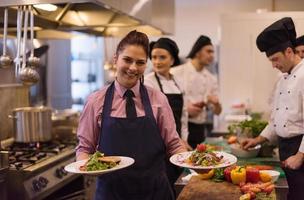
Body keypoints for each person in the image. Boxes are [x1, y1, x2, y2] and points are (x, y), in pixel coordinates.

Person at [76, 30, 187, 200]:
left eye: (140, 62)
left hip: (155, 191)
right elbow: (85, 148)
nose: (133, 68)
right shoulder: (95, 101)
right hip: (111, 193)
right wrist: (86, 166)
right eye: (127, 60)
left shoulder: (158, 99)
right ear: (115, 59)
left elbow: (173, 144)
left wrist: (191, 163)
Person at [242, 17, 304, 200]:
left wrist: (300, 155)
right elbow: (276, 118)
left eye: (275, 59)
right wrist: (258, 139)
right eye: (270, 60)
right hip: (285, 148)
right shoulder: (282, 78)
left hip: (299, 148)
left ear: (289, 51)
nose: (273, 65)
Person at [144, 37, 190, 195]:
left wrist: (183, 138)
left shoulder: (179, 81)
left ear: (172, 59)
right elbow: (151, 120)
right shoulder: (147, 83)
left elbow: (183, 116)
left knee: (178, 183)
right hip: (158, 145)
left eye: (162, 57)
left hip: (177, 145)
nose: (157, 61)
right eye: (154, 57)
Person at [171, 35, 222, 148]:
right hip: (179, 128)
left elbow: (218, 112)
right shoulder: (176, 72)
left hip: (199, 130)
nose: (212, 55)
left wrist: (216, 103)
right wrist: (185, 109)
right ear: (198, 52)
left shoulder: (211, 78)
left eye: (213, 52)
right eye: (208, 51)